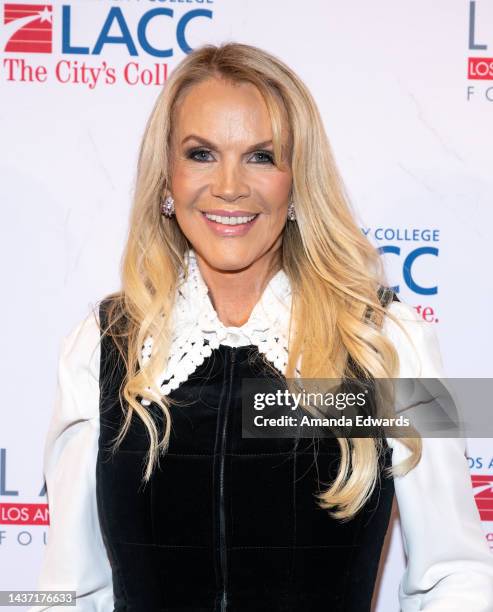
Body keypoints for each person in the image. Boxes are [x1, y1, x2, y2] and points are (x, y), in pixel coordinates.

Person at [30, 43, 493, 611]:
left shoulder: (388, 342)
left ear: (297, 181)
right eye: (201, 154)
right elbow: (67, 590)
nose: (229, 186)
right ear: (166, 180)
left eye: (261, 156)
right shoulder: (102, 347)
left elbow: (456, 574)